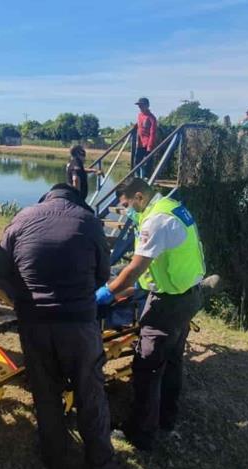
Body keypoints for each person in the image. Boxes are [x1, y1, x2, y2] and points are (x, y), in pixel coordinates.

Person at [0, 182, 121, 469]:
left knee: (45, 390)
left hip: (35, 322)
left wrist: (21, 295)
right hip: (79, 323)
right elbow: (103, 275)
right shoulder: (89, 222)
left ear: (45, 198)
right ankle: (101, 467)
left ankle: (54, 458)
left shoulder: (22, 218)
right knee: (90, 392)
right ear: (76, 201)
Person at [95, 177, 205, 450]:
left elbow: (135, 269)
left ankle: (141, 434)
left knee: (147, 366)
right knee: (172, 361)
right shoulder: (172, 206)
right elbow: (157, 266)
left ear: (140, 197)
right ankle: (167, 418)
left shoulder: (155, 220)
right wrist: (134, 291)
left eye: (127, 204)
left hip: (169, 303)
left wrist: (108, 292)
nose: (127, 210)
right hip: (187, 293)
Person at [134, 97, 159, 178]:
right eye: (139, 105)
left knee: (148, 162)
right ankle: (138, 177)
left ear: (147, 106)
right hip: (140, 143)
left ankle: (147, 178)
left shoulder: (152, 118)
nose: (140, 107)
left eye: (141, 105)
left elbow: (153, 132)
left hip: (148, 143)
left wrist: (150, 146)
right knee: (137, 161)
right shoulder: (139, 116)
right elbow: (138, 126)